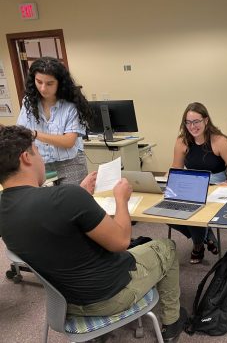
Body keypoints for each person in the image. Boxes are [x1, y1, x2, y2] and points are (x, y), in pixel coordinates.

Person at [0, 125, 187, 342]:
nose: (41, 157)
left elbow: (50, 225)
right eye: (38, 150)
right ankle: (172, 321)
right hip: (109, 297)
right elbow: (121, 242)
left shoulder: (6, 209)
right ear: (26, 157)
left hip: (64, 304)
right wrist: (121, 200)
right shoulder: (66, 198)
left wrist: (78, 194)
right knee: (167, 247)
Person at [170, 102, 227, 264]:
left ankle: (198, 245)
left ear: (206, 121)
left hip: (216, 187)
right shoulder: (182, 141)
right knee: (167, 212)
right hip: (192, 186)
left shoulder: (220, 141)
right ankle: (206, 234)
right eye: (188, 122)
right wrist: (168, 178)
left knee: (195, 210)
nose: (192, 126)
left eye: (196, 122)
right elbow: (177, 168)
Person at [17, 56, 94, 185]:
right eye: (39, 82)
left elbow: (68, 141)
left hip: (70, 163)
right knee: (46, 203)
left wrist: (35, 134)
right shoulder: (28, 102)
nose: (42, 88)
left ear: (60, 83)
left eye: (49, 83)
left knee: (71, 202)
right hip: (40, 163)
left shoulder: (71, 105)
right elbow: (21, 132)